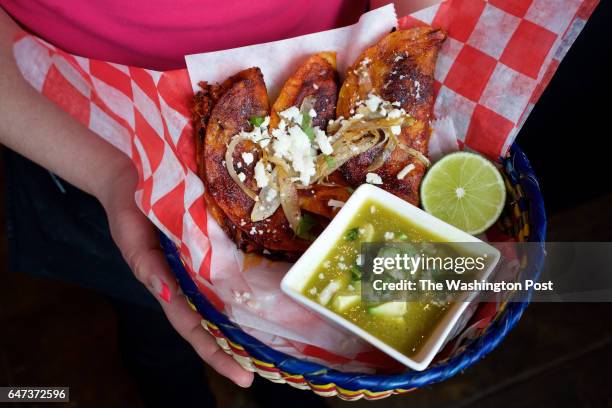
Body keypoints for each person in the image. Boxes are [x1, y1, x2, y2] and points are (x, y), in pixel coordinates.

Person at [0, 0, 440, 405]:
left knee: (288, 376)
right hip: (78, 134)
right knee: (152, 330)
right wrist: (111, 175)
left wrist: (412, 27)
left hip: (341, 74)